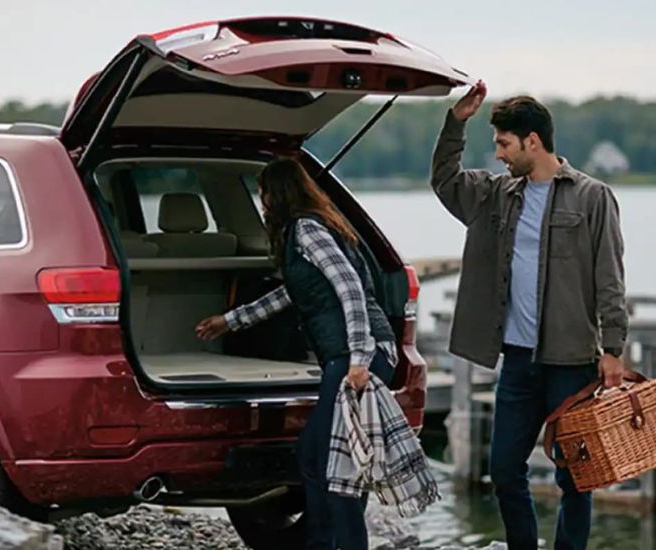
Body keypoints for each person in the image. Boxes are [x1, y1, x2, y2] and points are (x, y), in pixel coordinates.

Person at [431, 82, 628, 550]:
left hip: (573, 362)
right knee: (503, 471)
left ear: (531, 141)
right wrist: (454, 122)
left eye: (503, 143)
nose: (497, 154)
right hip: (517, 362)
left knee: (577, 478)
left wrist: (614, 349)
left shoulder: (593, 197)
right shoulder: (496, 194)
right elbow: (444, 181)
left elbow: (610, 277)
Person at [196, 157, 397, 550]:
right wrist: (231, 321)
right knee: (322, 458)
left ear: (279, 193)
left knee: (324, 460)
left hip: (359, 354)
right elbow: (293, 293)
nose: (262, 202)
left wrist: (359, 357)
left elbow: (351, 288)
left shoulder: (307, 229)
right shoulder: (308, 229)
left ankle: (330, 543)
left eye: (264, 193)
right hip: (349, 355)